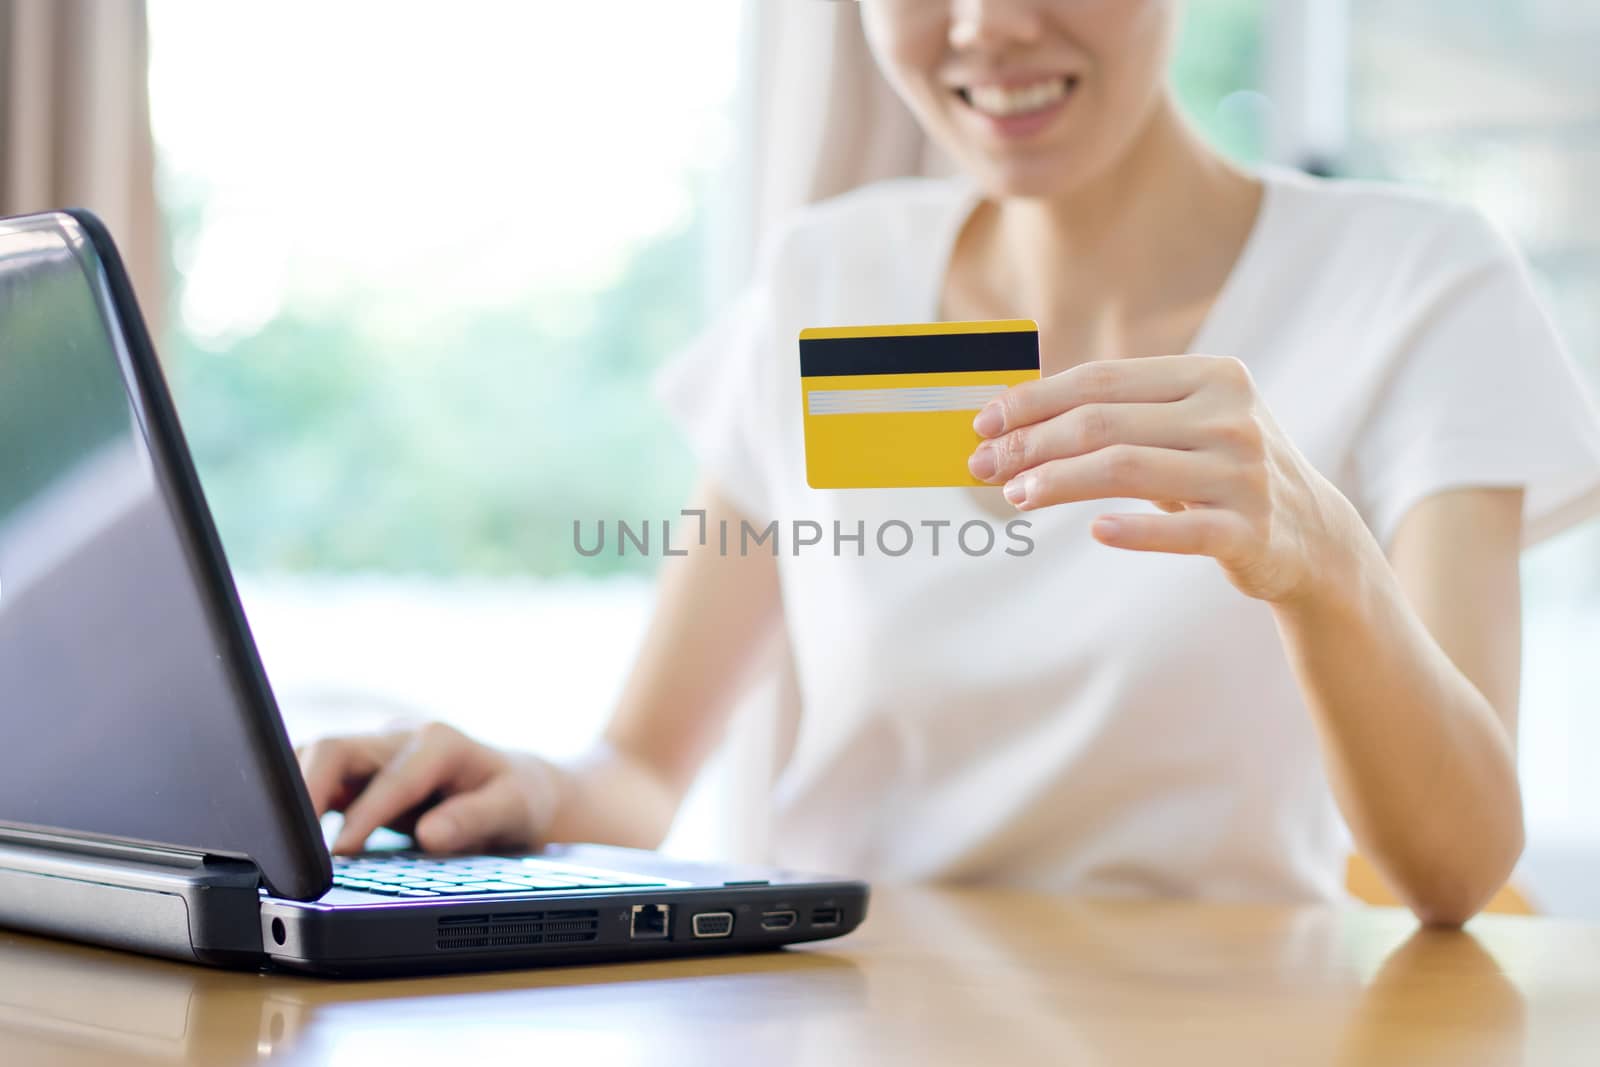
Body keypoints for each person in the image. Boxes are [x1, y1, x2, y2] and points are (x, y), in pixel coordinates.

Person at [297, 0, 1600, 925]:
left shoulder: (1409, 282)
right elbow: (640, 771)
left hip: (1220, 1024)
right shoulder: (836, 279)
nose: (985, 23)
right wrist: (521, 786)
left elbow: (1460, 868)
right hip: (851, 1008)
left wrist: (1326, 568)